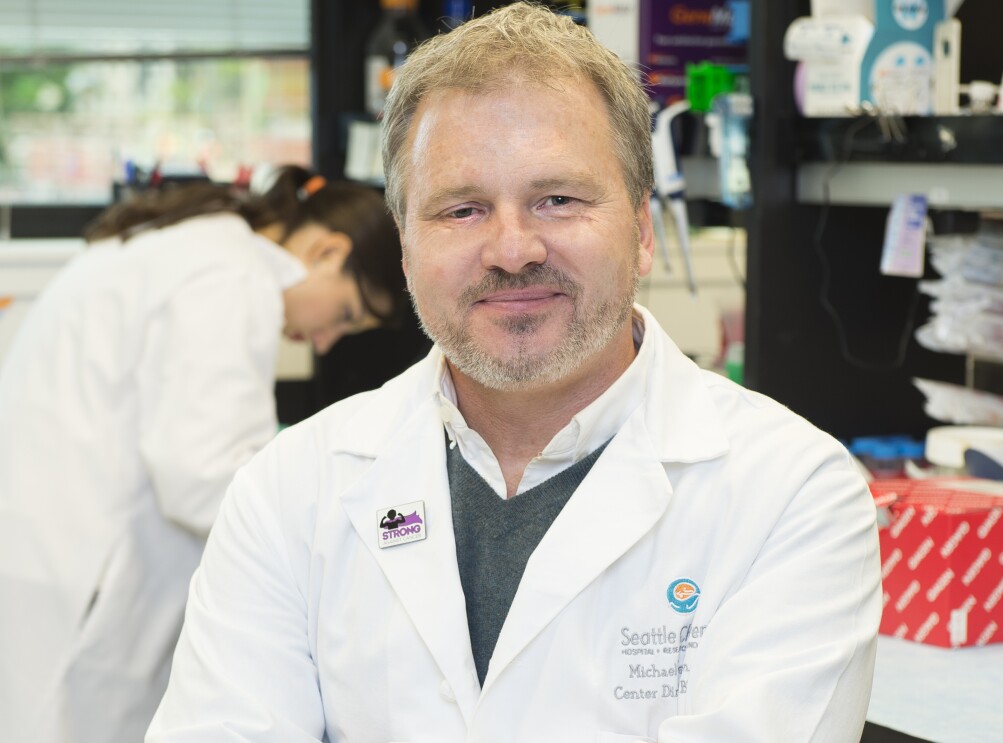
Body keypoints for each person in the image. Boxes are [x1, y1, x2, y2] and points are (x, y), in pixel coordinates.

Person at [148, 5, 883, 742]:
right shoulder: (289, 488)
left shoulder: (793, 491)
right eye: (462, 209)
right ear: (406, 253)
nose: (511, 248)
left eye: (557, 199)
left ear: (641, 230)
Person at [0, 166, 411, 743]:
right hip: (86, 572)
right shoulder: (231, 275)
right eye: (344, 315)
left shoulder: (196, 244)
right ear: (326, 251)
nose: (325, 342)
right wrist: (334, 550)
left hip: (53, 550)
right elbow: (201, 475)